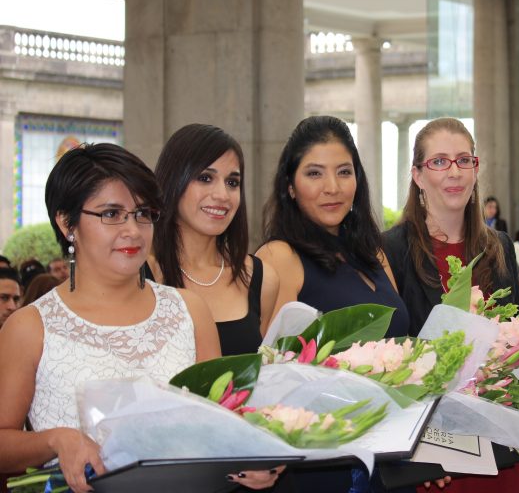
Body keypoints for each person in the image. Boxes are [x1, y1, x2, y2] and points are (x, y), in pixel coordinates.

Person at [0, 143, 221, 493]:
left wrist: (249, 460)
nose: (132, 230)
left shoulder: (190, 310)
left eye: (142, 213)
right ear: (67, 222)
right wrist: (56, 441)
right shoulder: (30, 327)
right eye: (111, 214)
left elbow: (221, 423)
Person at [256, 115, 410, 492]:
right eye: (314, 174)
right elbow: (270, 376)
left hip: (390, 457)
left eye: (344, 172)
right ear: (290, 186)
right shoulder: (279, 257)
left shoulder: (375, 253)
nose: (332, 187)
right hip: (323, 467)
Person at [382, 117, 519, 493]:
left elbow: (516, 348)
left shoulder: (499, 247)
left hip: (496, 447)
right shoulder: (390, 250)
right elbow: (387, 358)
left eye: (464, 160)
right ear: (417, 175)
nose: (455, 172)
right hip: (432, 457)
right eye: (439, 162)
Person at [149, 123, 279, 356]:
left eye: (232, 182)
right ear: (173, 181)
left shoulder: (261, 279)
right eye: (205, 178)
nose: (222, 195)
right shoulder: (142, 275)